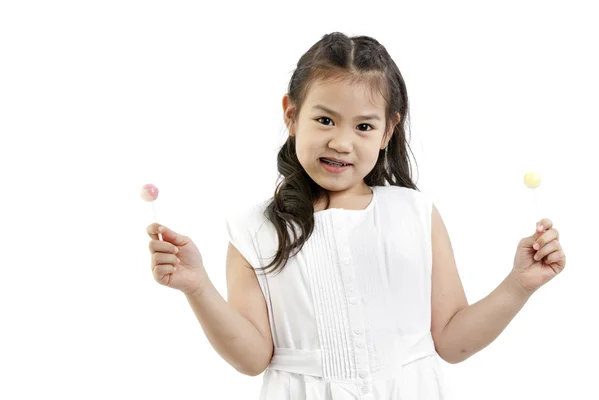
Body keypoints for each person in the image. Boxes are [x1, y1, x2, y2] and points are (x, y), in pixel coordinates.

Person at [146, 32, 567, 399]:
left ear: (387, 131)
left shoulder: (415, 214)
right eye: (325, 119)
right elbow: (253, 358)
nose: (342, 142)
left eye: (364, 127)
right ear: (291, 115)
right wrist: (197, 287)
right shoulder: (255, 229)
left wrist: (519, 284)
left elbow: (453, 343)